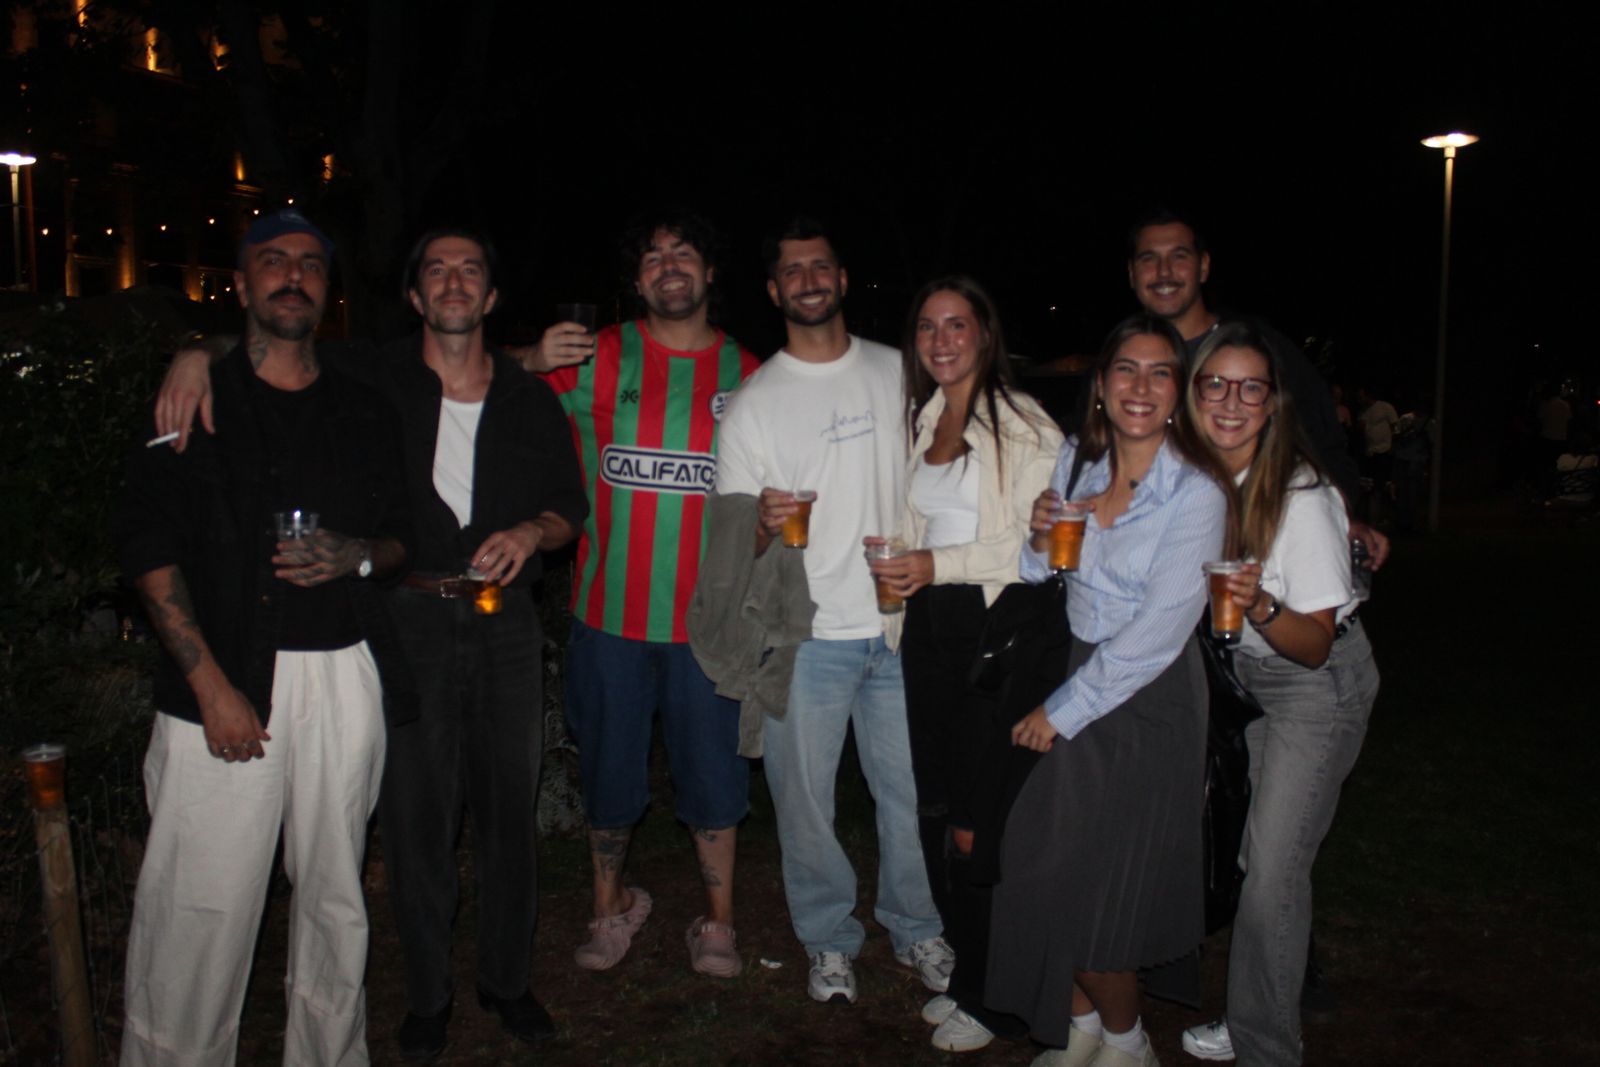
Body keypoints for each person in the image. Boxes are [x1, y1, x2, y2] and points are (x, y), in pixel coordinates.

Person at [150, 227, 588, 1059]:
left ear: (492, 296)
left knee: (509, 811)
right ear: (415, 295)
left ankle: (506, 980)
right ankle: (428, 993)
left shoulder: (530, 398)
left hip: (505, 622)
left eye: (470, 270)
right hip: (406, 616)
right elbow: (277, 335)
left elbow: (570, 506)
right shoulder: (373, 375)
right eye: (436, 270)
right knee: (416, 816)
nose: (453, 282)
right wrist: (193, 351)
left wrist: (535, 529)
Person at [119, 209, 413, 1066]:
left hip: (343, 676)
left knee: (336, 901)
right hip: (223, 676)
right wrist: (211, 686)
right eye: (274, 261)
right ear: (242, 282)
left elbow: (403, 538)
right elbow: (147, 547)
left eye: (311, 264)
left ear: (327, 287)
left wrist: (360, 553)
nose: (294, 276)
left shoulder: (364, 405)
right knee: (199, 905)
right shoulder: (193, 396)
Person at [712, 217, 950, 1005]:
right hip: (805, 636)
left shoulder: (900, 371)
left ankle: (918, 927)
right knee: (806, 804)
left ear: (842, 279)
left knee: (910, 793)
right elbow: (729, 542)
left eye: (821, 267)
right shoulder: (753, 405)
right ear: (773, 289)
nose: (809, 280)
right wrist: (759, 521)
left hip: (899, 624)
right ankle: (828, 940)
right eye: (793, 270)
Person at [990, 313, 1234, 1067]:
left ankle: (1128, 1045)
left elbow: (1160, 630)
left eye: (1161, 372)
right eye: (1126, 368)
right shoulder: (1077, 462)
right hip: (1077, 668)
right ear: (1100, 384)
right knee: (1040, 865)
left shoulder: (1198, 490)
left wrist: (1058, 712)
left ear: (1179, 392)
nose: (1141, 386)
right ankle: (1085, 1029)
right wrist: (1040, 534)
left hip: (1149, 696)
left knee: (1099, 890)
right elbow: (1040, 573)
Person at [522, 211, 760, 978]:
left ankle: (719, 923)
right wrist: (527, 356)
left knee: (715, 778)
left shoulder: (752, 373)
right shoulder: (593, 355)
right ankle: (611, 905)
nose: (669, 264)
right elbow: (469, 380)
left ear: (710, 271)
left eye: (684, 251)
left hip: (710, 627)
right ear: (636, 278)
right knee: (608, 773)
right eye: (653, 255)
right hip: (607, 618)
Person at [864, 276, 1062, 1052]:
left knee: (981, 816)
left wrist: (934, 562)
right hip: (931, 625)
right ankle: (970, 973)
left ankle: (998, 996)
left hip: (995, 627)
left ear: (985, 333)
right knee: (938, 805)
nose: (941, 340)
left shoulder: (1024, 423)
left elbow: (1038, 549)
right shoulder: (925, 419)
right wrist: (903, 566)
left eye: (957, 324)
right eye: (927, 326)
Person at [1178, 320, 1379, 1066]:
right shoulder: (1192, 478)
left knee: (1271, 872)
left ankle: (1265, 1046)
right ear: (1192, 394)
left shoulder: (1301, 495)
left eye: (1250, 388)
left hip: (1315, 684)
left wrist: (1259, 603)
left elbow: (1316, 643)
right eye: (1216, 384)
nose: (1231, 402)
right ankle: (1256, 1011)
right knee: (1255, 856)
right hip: (1247, 679)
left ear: (1272, 403)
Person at [1125, 208, 1388, 572]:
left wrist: (1339, 516)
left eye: (1179, 256)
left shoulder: (1257, 347)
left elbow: (1324, 441)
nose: (1164, 272)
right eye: (1149, 259)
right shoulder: (1123, 362)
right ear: (1132, 274)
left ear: (1203, 267)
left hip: (1255, 558)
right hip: (1158, 559)